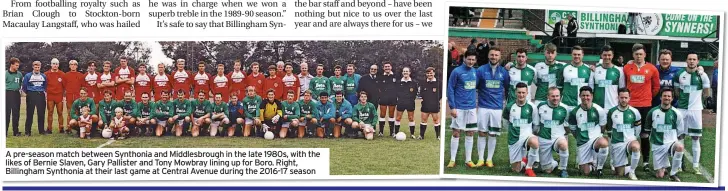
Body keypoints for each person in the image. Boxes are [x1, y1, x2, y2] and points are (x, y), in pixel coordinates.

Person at [624, 43, 660, 171]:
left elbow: (656, 88)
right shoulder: (627, 67)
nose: (638, 56)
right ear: (633, 55)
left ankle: (645, 162)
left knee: (644, 135)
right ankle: (626, 161)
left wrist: (647, 96)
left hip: (645, 106)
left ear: (645, 54)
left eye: (641, 54)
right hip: (630, 106)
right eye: (636, 54)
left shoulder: (652, 69)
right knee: (628, 134)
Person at [674, 52, 711, 175]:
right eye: (689, 59)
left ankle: (696, 166)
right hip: (682, 110)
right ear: (686, 60)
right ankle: (678, 165)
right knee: (680, 137)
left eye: (694, 59)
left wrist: (700, 102)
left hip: (696, 110)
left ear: (698, 61)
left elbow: (706, 93)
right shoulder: (679, 74)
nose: (691, 61)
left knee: (696, 138)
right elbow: (677, 91)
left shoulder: (703, 75)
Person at [475, 47, 510, 168]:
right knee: (482, 132)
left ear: (500, 57)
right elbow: (476, 86)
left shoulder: (504, 72)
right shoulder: (480, 70)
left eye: (496, 55)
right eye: (492, 55)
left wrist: (505, 104)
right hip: (483, 106)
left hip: (497, 107)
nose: (494, 57)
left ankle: (489, 159)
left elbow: (507, 88)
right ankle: (480, 159)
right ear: (488, 56)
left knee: (493, 133)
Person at [643, 87, 685, 182]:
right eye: (665, 96)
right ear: (660, 98)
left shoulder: (677, 113)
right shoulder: (652, 112)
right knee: (660, 176)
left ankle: (673, 173)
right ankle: (664, 169)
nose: (667, 98)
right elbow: (647, 130)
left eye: (669, 96)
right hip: (657, 145)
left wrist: (677, 141)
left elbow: (680, 133)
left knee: (680, 147)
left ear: (672, 98)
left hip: (671, 143)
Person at [446, 50, 479, 168]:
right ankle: (452, 160)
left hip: (471, 108)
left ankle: (468, 160)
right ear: (464, 58)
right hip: (459, 108)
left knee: (470, 133)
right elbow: (450, 89)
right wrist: (452, 107)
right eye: (469, 59)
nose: (471, 62)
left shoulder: (475, 72)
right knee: (456, 133)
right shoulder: (457, 71)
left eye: (473, 59)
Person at [567, 86, 609, 177]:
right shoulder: (574, 112)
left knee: (604, 143)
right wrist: (580, 138)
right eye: (583, 95)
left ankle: (599, 168)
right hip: (582, 143)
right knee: (585, 173)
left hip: (595, 139)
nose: (586, 97)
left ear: (592, 96)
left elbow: (602, 127)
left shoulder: (599, 110)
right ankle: (591, 164)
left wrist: (598, 135)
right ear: (579, 96)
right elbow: (573, 130)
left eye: (588, 95)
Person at [504, 82, 540, 177]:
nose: (521, 95)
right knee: (516, 170)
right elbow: (505, 123)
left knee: (535, 142)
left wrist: (530, 134)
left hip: (526, 136)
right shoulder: (509, 107)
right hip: (514, 139)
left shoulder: (532, 107)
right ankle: (523, 161)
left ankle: (529, 168)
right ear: (515, 92)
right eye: (519, 92)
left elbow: (536, 125)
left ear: (527, 93)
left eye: (523, 92)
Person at [606, 88, 642, 180]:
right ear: (618, 97)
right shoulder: (611, 112)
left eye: (626, 98)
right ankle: (625, 167)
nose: (623, 100)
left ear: (629, 98)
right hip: (617, 143)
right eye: (621, 97)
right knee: (619, 174)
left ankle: (632, 172)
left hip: (630, 140)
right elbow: (609, 130)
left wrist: (634, 138)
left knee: (636, 146)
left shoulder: (635, 112)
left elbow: (637, 129)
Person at [534, 87, 570, 178]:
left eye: (557, 96)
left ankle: (563, 169)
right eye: (553, 96)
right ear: (548, 97)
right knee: (547, 170)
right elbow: (536, 123)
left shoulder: (565, 108)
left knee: (563, 144)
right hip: (544, 138)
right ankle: (553, 163)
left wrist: (565, 136)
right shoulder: (540, 106)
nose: (555, 98)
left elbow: (567, 125)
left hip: (558, 137)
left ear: (560, 96)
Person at [589, 45, 625, 110]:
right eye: (605, 55)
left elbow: (621, 90)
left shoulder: (619, 71)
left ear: (612, 56)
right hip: (597, 107)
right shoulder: (595, 70)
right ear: (601, 55)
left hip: (613, 106)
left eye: (609, 55)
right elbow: (591, 89)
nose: (607, 57)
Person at [560, 46, 592, 112]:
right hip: (567, 105)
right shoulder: (564, 68)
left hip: (583, 105)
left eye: (579, 54)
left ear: (582, 55)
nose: (576, 56)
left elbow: (591, 89)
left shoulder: (589, 69)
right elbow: (559, 86)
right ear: (571, 55)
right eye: (574, 54)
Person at [22, 61, 48, 136]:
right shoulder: (28, 75)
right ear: (33, 67)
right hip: (31, 94)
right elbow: (24, 86)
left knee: (41, 113)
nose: (37, 68)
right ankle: (27, 131)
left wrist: (41, 91)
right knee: (30, 113)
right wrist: (30, 93)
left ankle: (41, 131)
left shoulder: (43, 76)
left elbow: (45, 86)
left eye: (38, 67)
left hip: (40, 95)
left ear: (40, 67)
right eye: (35, 67)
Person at [394, 67, 419, 139]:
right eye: (404, 71)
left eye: (407, 71)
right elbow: (396, 92)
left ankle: (412, 134)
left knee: (411, 118)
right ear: (402, 73)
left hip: (410, 102)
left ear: (409, 72)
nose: (405, 72)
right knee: (398, 118)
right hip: (401, 102)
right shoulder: (398, 82)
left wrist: (411, 99)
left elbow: (415, 92)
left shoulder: (413, 83)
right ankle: (396, 133)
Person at [420, 67, 442, 140]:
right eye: (428, 73)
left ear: (434, 73)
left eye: (431, 73)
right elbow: (421, 93)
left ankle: (438, 136)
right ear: (426, 74)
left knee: (436, 120)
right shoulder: (423, 82)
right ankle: (421, 136)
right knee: (423, 120)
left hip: (434, 105)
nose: (429, 74)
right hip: (425, 104)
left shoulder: (439, 82)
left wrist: (435, 100)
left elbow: (441, 94)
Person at [63, 60, 85, 134]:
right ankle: (68, 128)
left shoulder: (81, 75)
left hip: (78, 96)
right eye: (71, 64)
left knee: (78, 112)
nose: (73, 66)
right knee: (69, 112)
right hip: (69, 96)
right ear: (69, 66)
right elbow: (64, 85)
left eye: (74, 64)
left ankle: (78, 127)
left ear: (77, 66)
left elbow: (83, 86)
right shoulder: (66, 75)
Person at [358, 64, 380, 134]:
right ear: (370, 69)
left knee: (373, 114)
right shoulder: (364, 78)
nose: (373, 70)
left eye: (375, 69)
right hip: (365, 100)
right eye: (372, 69)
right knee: (363, 114)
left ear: (377, 70)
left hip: (375, 100)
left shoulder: (379, 79)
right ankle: (361, 129)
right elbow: (359, 90)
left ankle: (372, 128)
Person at [45, 58, 65, 134]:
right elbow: (44, 85)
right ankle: (49, 128)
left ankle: (61, 128)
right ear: (51, 64)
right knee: (50, 112)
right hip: (50, 96)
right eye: (53, 63)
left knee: (60, 112)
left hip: (59, 96)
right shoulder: (46, 74)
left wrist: (63, 95)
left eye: (56, 64)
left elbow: (64, 86)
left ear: (58, 65)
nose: (55, 65)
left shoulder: (62, 74)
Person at [379, 62, 397, 137]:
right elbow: (379, 87)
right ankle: (381, 132)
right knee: (382, 114)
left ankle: (391, 132)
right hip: (383, 97)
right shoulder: (381, 76)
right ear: (383, 68)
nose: (387, 68)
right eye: (385, 67)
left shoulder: (396, 76)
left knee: (391, 115)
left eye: (388, 66)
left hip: (392, 98)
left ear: (391, 67)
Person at [6, 58, 23, 136]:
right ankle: (4, 132)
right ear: (11, 65)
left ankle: (15, 131)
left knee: (16, 113)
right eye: (16, 65)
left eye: (18, 65)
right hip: (7, 93)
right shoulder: (5, 74)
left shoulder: (19, 74)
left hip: (16, 94)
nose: (17, 67)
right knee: (7, 113)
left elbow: (20, 84)